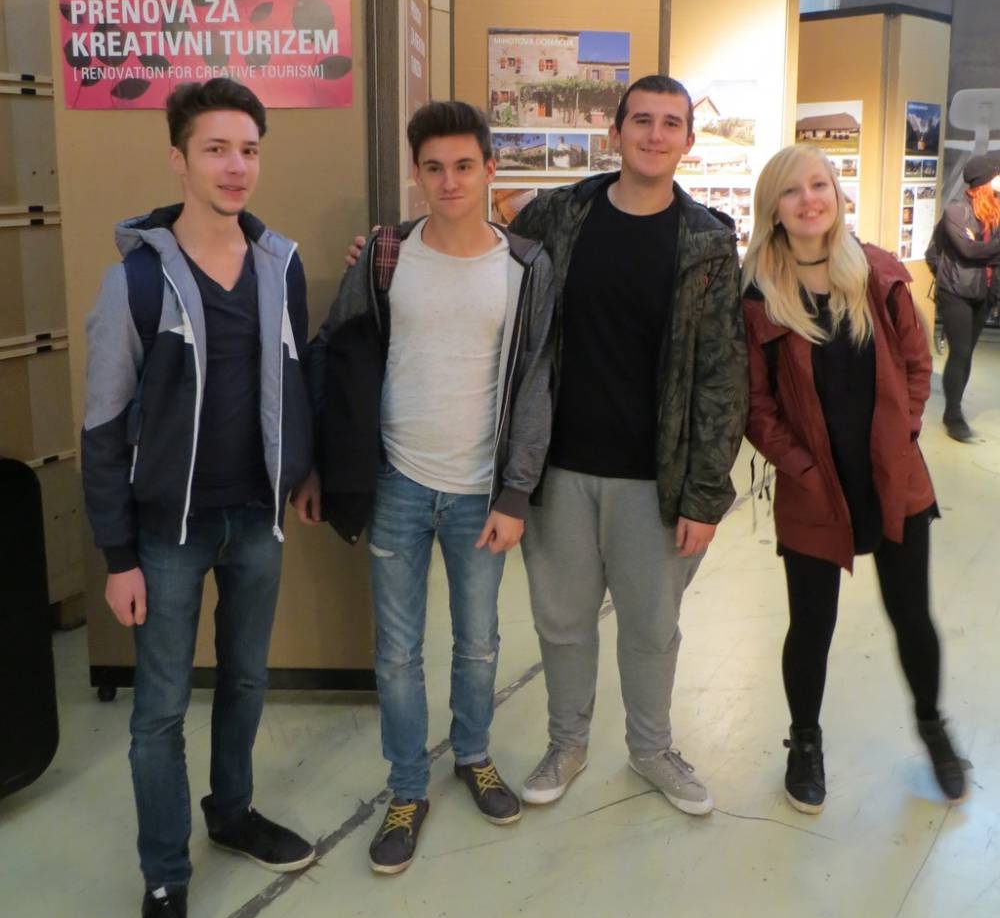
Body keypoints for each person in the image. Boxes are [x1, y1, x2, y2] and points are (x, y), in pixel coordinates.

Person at [81, 78, 316, 918]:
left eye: (249, 149)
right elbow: (103, 427)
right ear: (178, 157)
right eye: (216, 148)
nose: (235, 166)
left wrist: (300, 472)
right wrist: (117, 555)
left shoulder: (280, 266)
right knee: (159, 712)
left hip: (255, 518)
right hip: (166, 535)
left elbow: (293, 378)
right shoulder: (136, 280)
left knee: (247, 678)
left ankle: (233, 810)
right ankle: (164, 882)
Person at [298, 100, 554, 875]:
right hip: (397, 483)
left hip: (480, 491)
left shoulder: (525, 266)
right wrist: (320, 465)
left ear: (490, 168)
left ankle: (472, 753)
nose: (449, 181)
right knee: (397, 652)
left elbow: (538, 381)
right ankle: (408, 786)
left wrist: (515, 493)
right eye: (434, 167)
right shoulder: (386, 255)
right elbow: (335, 354)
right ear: (416, 172)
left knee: (478, 642)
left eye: (464, 165)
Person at [508, 74, 746, 815]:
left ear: (688, 140)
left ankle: (651, 749)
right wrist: (386, 247)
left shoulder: (707, 242)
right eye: (641, 120)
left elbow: (722, 374)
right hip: (560, 469)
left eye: (670, 123)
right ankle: (567, 743)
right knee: (562, 621)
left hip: (655, 478)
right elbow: (476, 254)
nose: (654, 134)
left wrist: (705, 494)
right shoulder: (560, 213)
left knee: (650, 627)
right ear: (615, 132)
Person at [741, 143, 967, 814]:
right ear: (774, 208)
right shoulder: (759, 296)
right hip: (814, 488)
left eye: (819, 184)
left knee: (912, 617)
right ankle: (805, 743)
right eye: (792, 190)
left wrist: (903, 439)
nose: (809, 199)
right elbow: (756, 406)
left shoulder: (877, 273)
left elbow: (917, 365)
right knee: (811, 625)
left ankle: (933, 728)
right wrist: (803, 468)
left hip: (895, 478)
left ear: (837, 195)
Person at [932, 154, 1000, 441]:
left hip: (985, 292)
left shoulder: (996, 210)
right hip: (956, 291)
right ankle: (953, 414)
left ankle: (955, 404)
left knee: (967, 352)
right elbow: (968, 251)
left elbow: (977, 252)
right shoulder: (956, 211)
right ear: (985, 180)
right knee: (959, 352)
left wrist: (986, 251)